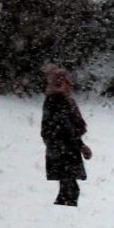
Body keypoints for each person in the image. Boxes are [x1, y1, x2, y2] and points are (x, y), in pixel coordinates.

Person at [41, 65, 91, 206]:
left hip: (64, 148)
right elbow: (64, 127)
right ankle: (63, 219)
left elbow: (67, 127)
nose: (61, 85)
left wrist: (80, 145)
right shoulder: (57, 101)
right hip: (63, 150)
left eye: (64, 82)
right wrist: (79, 145)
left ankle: (62, 217)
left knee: (68, 188)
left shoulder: (64, 101)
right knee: (70, 189)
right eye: (58, 82)